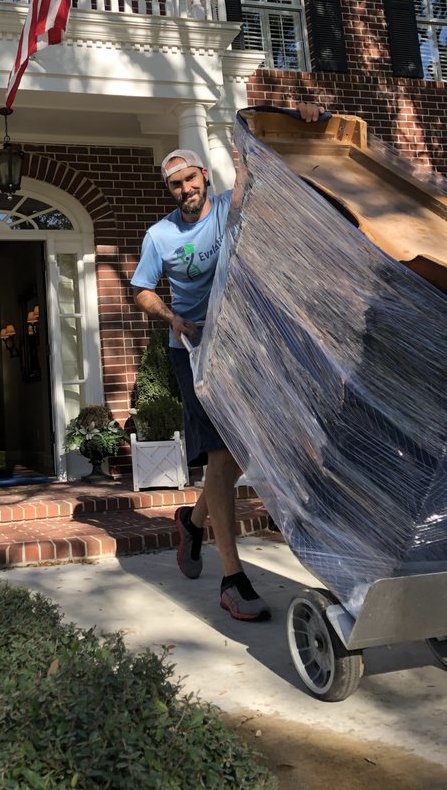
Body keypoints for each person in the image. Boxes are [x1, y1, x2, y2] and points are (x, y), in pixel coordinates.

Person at [131, 102, 326, 621]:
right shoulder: (159, 236)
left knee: (241, 451)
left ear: (203, 177)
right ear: (170, 190)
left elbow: (255, 166)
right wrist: (172, 317)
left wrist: (298, 118)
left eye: (191, 180)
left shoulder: (226, 207)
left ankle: (192, 523)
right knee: (221, 456)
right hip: (194, 352)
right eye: (176, 185)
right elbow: (142, 290)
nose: (185, 190)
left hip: (241, 344)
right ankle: (232, 579)